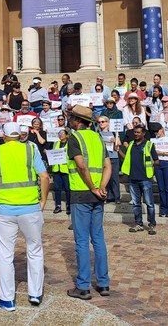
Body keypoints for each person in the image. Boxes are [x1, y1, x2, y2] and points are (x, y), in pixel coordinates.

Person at [0, 122, 49, 311]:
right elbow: (44, 176)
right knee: (35, 250)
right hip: (30, 207)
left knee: (4, 255)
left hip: (3, 209)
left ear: (3, 135)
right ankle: (35, 293)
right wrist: (42, 200)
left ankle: (7, 299)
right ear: (20, 135)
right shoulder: (30, 149)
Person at [65, 105, 111, 301]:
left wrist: (92, 186)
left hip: (81, 193)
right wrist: (101, 187)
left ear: (77, 121)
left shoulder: (75, 137)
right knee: (98, 239)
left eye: (70, 118)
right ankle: (103, 283)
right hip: (97, 194)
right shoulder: (98, 137)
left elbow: (81, 165)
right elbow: (108, 166)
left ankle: (83, 286)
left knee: (82, 241)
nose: (68, 121)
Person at [121, 124, 158, 234]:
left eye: (138, 132)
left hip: (145, 178)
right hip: (133, 178)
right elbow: (127, 158)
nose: (136, 134)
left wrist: (152, 169)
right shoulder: (131, 144)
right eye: (135, 132)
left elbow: (156, 160)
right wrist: (118, 150)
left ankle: (151, 224)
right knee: (136, 204)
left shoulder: (149, 145)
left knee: (149, 203)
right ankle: (138, 224)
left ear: (143, 133)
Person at [97, 116, 121, 204]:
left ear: (107, 122)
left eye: (103, 122)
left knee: (114, 178)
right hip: (103, 158)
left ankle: (116, 197)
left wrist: (115, 140)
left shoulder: (114, 133)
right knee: (105, 178)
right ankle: (105, 196)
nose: (101, 123)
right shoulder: (97, 134)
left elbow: (118, 145)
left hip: (113, 157)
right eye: (99, 122)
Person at [50, 127, 71, 215]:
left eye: (62, 133)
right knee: (57, 189)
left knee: (67, 189)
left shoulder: (70, 144)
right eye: (59, 134)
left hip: (65, 169)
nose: (60, 135)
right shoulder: (55, 143)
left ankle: (68, 205)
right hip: (56, 169)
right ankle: (58, 205)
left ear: (67, 135)